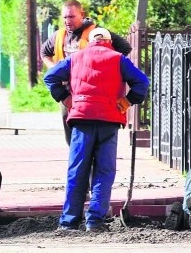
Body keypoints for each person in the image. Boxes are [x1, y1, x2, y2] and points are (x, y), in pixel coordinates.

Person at [43, 28, 149, 232]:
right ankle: (95, 221)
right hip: (109, 120)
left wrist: (65, 98)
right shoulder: (118, 58)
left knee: (77, 169)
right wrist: (128, 101)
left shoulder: (75, 57)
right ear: (109, 42)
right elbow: (142, 82)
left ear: (90, 41)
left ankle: (69, 221)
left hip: (82, 120)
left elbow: (50, 77)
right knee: (104, 171)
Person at [41, 0, 133, 146]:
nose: (67, 21)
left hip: (90, 92)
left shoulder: (96, 33)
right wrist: (54, 68)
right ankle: (76, 158)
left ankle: (89, 161)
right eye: (64, 17)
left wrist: (106, 66)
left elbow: (125, 47)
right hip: (66, 93)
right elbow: (44, 53)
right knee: (70, 135)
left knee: (89, 134)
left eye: (71, 17)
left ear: (82, 15)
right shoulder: (59, 36)